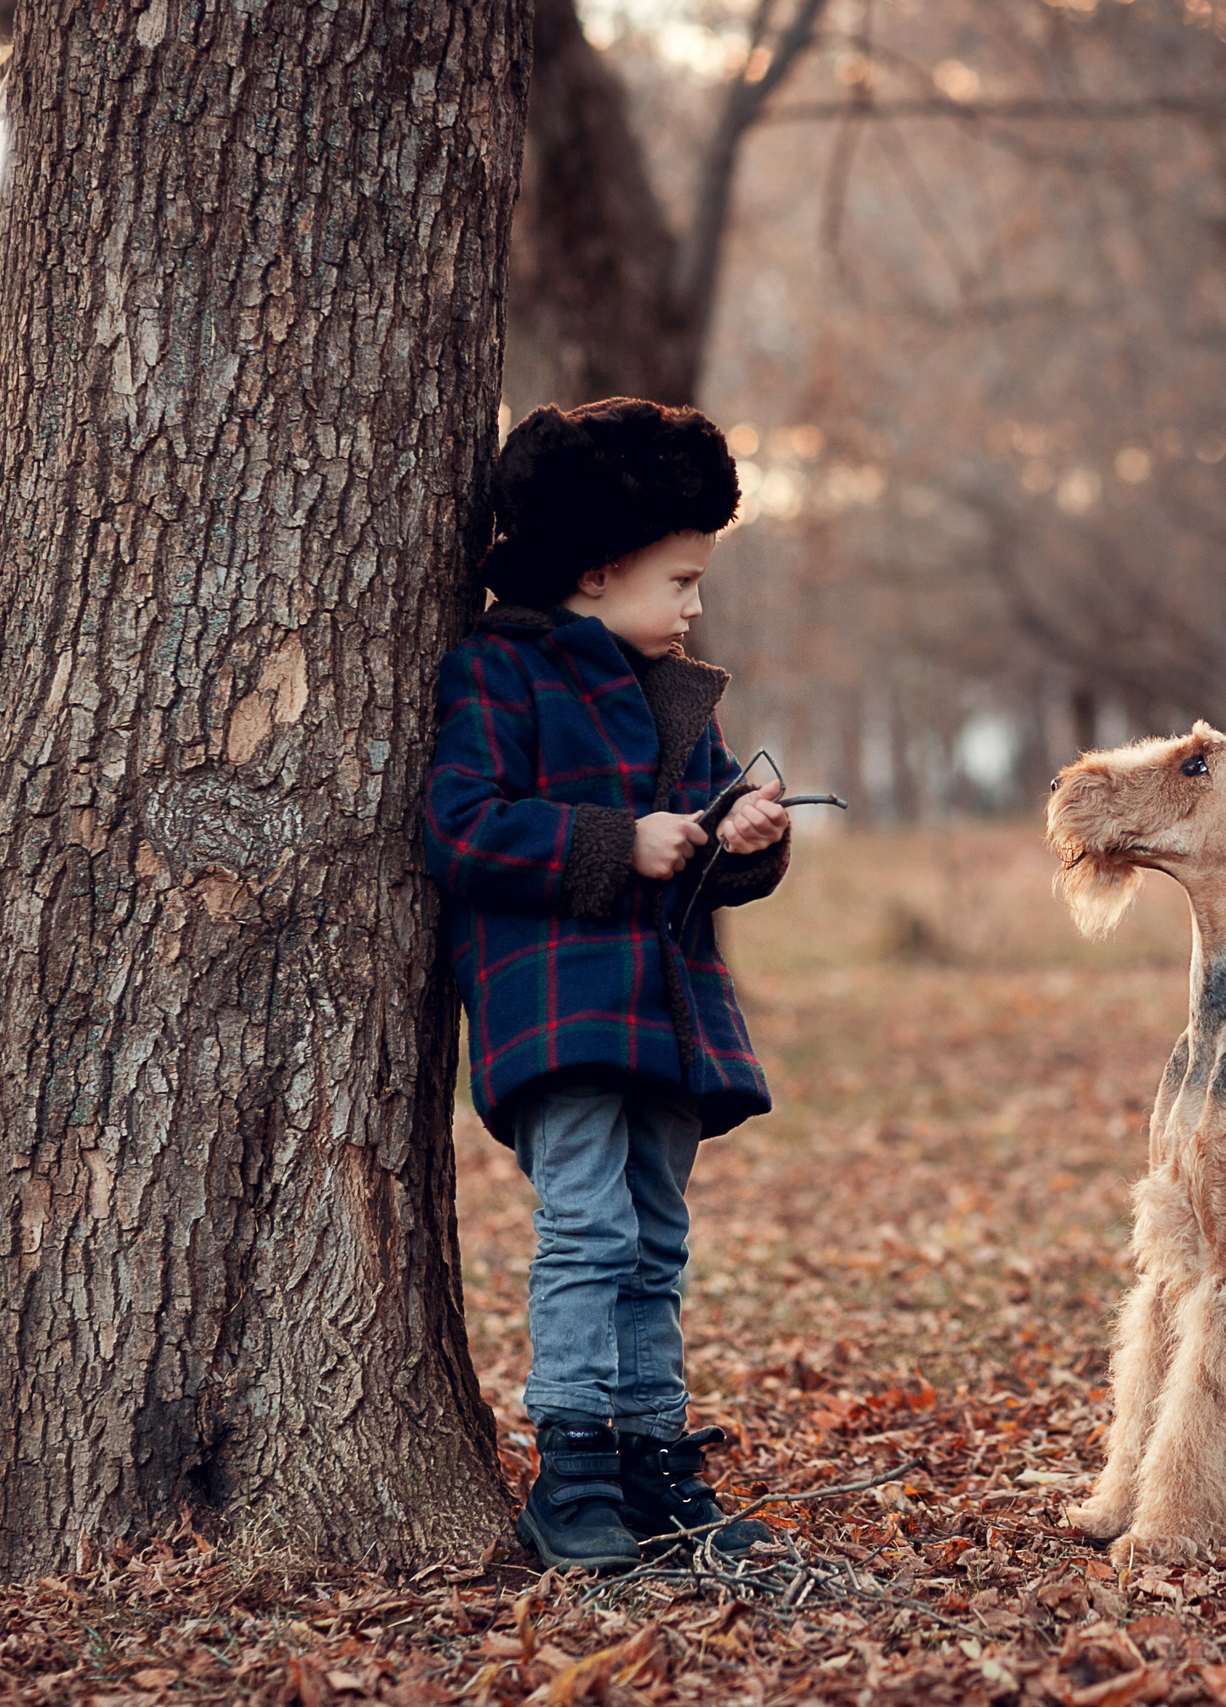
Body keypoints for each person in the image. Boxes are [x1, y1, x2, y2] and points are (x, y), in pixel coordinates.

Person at [424, 398, 792, 1572]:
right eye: (679, 580)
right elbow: (464, 829)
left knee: (655, 1241)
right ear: (594, 570)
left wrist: (751, 835)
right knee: (587, 1231)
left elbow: (725, 838)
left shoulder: (679, 696)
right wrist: (611, 842)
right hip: (562, 1014)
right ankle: (571, 1471)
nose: (694, 606)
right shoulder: (500, 672)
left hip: (668, 1019)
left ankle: (650, 1463)